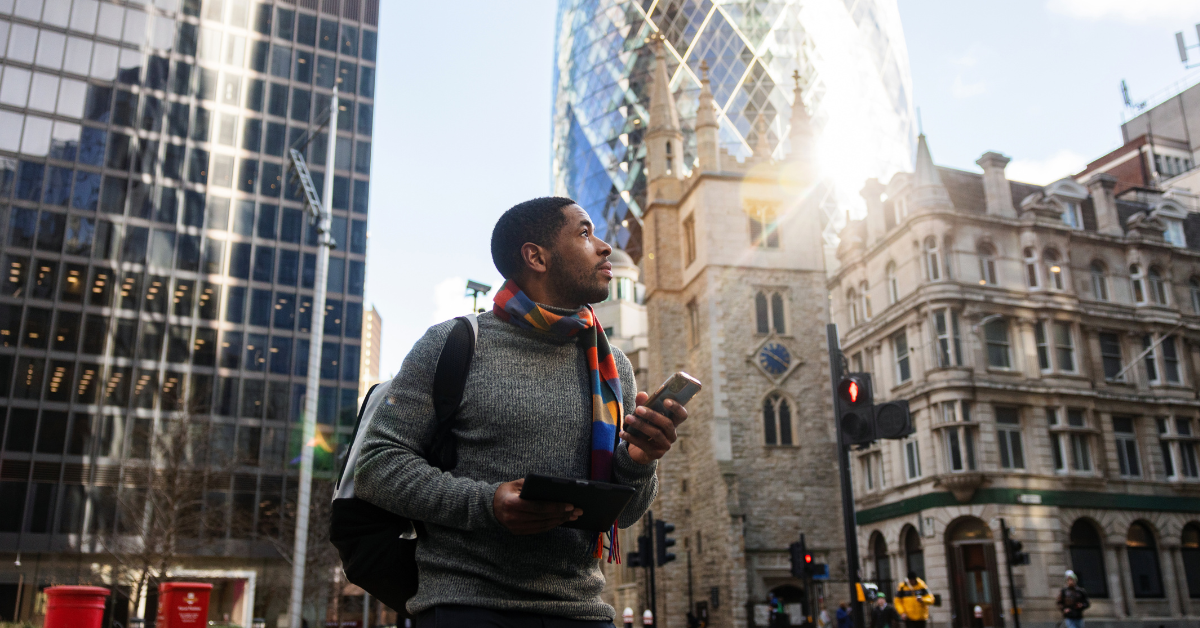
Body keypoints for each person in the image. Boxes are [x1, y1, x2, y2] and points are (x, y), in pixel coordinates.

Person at [355, 197, 687, 628]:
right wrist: (487, 504)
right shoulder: (452, 344)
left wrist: (640, 461)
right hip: (465, 608)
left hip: (583, 612)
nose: (605, 246)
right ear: (536, 257)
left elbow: (622, 514)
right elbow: (377, 467)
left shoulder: (613, 367)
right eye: (585, 233)